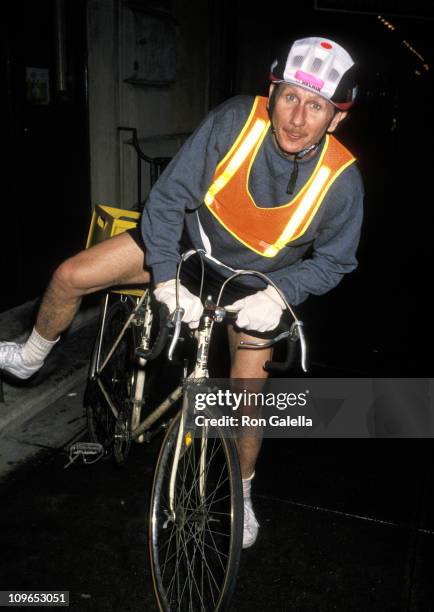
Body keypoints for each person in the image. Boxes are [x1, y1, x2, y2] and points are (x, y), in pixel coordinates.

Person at [0, 37, 363, 548]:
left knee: (247, 398)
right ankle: (29, 357)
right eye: (288, 97)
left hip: (255, 286)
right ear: (272, 92)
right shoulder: (235, 120)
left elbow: (335, 261)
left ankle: (243, 494)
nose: (297, 117)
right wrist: (167, 276)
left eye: (315, 105)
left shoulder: (341, 180)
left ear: (336, 118)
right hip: (187, 248)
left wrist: (281, 292)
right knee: (69, 277)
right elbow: (169, 198)